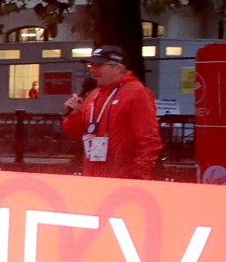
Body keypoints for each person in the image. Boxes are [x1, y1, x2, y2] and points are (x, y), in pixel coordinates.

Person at [61, 45, 161, 179]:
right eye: (91, 66)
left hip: (123, 178)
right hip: (92, 175)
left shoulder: (136, 93)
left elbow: (148, 139)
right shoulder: (94, 95)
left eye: (98, 65)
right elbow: (79, 134)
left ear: (118, 68)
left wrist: (139, 176)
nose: (93, 71)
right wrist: (75, 116)